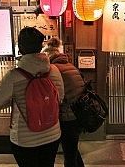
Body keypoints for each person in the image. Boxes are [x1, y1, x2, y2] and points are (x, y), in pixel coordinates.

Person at [0, 27, 65, 167]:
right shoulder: (54, 70)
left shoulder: (14, 76)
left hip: (26, 140)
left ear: (20, 47)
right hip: (52, 134)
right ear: (41, 46)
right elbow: (60, 97)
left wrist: (15, 100)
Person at [44, 37, 85, 167]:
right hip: (77, 113)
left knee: (69, 155)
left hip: (66, 117)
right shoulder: (70, 66)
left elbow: (55, 95)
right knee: (72, 149)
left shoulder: (54, 69)